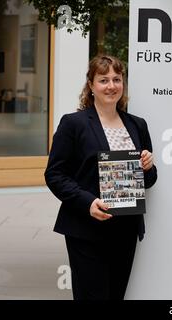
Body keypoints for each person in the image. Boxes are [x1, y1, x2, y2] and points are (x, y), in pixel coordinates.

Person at [45, 55, 157, 300]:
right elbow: (54, 174)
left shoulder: (137, 125)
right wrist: (87, 202)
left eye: (117, 79)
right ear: (91, 85)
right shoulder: (74, 123)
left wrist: (147, 167)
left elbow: (148, 181)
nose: (111, 85)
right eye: (103, 79)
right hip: (86, 229)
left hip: (125, 230)